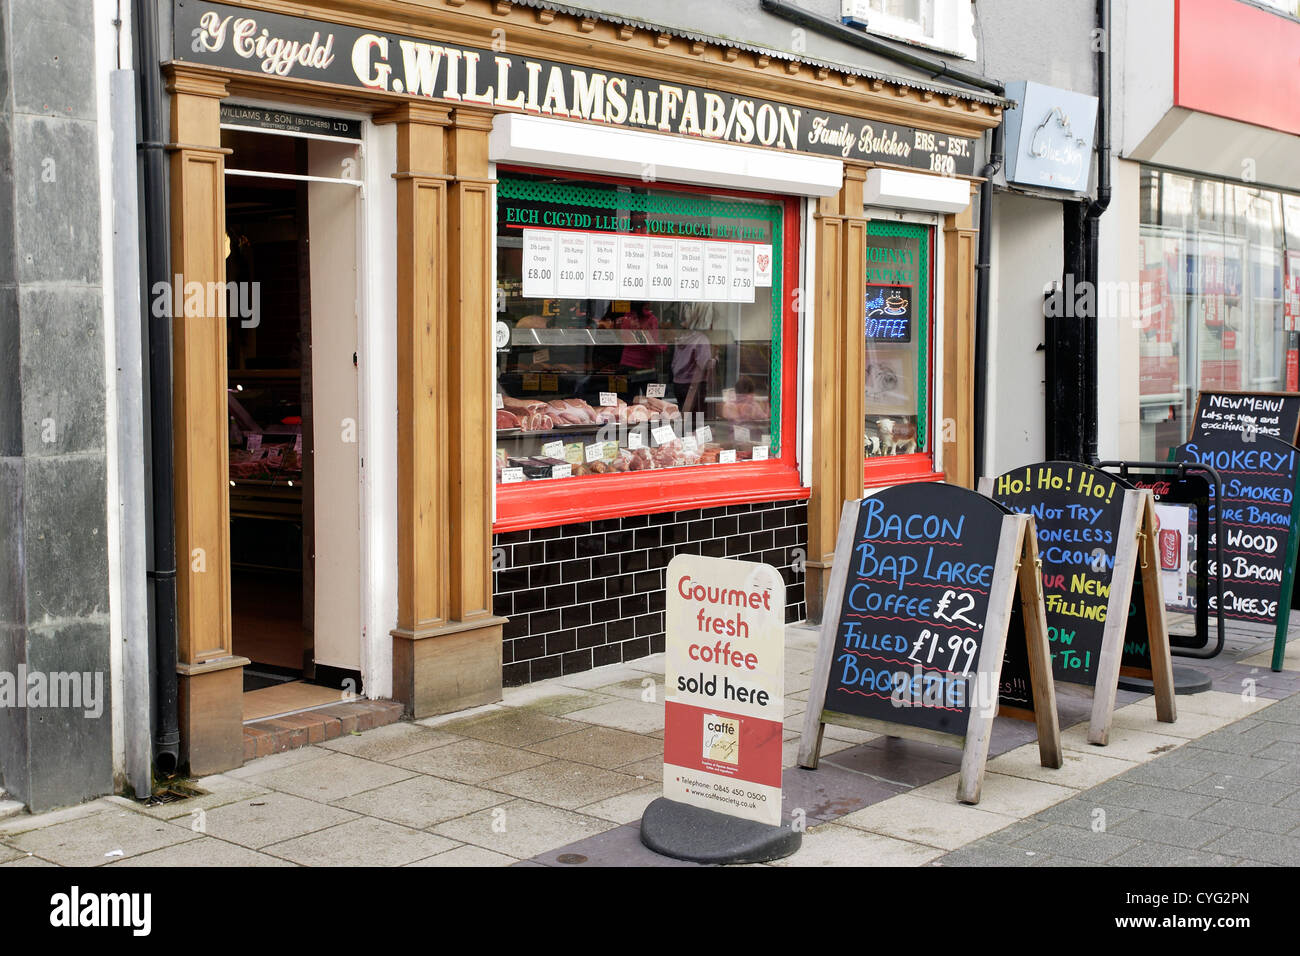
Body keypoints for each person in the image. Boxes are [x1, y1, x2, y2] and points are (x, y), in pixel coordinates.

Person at [672, 302, 715, 417]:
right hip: (693, 385)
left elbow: (675, 361)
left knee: (683, 416)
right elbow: (704, 364)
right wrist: (715, 360)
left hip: (678, 383)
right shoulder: (702, 339)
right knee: (696, 419)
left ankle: (683, 434)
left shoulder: (681, 336)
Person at [617, 301, 666, 370]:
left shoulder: (627, 317)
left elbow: (623, 339)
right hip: (643, 365)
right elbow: (652, 347)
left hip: (625, 362)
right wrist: (664, 347)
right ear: (646, 303)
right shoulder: (650, 319)